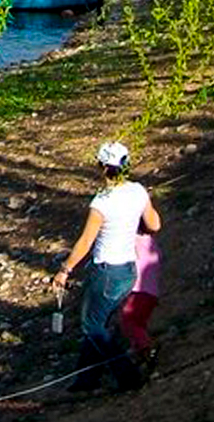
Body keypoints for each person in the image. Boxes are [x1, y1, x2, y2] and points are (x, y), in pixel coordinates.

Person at [51, 142, 161, 393]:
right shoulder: (138, 191)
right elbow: (154, 224)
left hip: (106, 272)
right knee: (99, 322)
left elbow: (86, 241)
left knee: (92, 324)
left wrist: (65, 270)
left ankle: (127, 375)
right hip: (128, 270)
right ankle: (86, 379)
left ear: (102, 167)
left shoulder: (101, 202)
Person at [119, 230, 162, 376]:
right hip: (151, 291)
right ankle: (141, 353)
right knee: (139, 323)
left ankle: (147, 350)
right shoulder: (151, 242)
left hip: (138, 289)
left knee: (129, 320)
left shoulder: (132, 240)